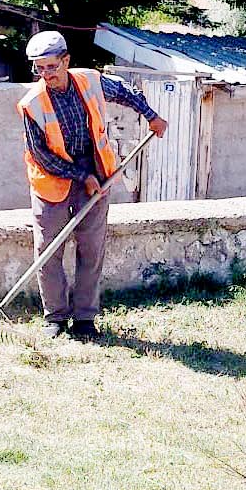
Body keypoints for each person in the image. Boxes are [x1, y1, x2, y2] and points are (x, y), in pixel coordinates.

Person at [19, 31, 166, 340]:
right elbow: (41, 155)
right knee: (49, 250)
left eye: (51, 67)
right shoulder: (31, 105)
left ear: (66, 61)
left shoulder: (89, 81)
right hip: (52, 182)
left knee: (91, 249)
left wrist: (151, 116)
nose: (46, 75)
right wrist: (79, 175)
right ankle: (55, 319)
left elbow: (124, 91)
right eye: (39, 68)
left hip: (97, 175)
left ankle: (85, 319)